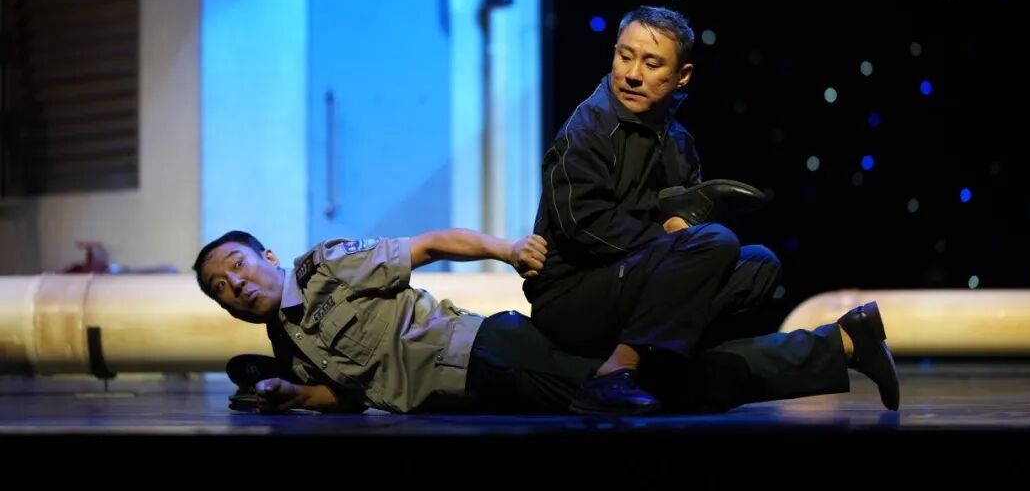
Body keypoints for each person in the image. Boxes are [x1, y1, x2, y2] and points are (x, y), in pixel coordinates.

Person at [526, 5, 899, 413]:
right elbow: (584, 227)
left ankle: (663, 359)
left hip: (635, 283)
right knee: (715, 243)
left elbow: (684, 224)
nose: (632, 74)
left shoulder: (678, 141)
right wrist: (671, 239)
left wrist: (683, 229)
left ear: (682, 75)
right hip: (573, 297)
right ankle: (616, 371)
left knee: (758, 265)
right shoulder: (588, 129)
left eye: (651, 63)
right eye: (625, 56)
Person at [193, 227, 898, 415]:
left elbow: (429, 245)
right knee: (660, 390)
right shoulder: (287, 344)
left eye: (238, 266)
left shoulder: (328, 266)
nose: (237, 285)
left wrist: (504, 249)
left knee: (655, 395)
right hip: (468, 399)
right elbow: (349, 395)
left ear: (266, 256)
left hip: (487, 351)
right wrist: (295, 394)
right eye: (222, 288)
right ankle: (842, 341)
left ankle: (837, 343)